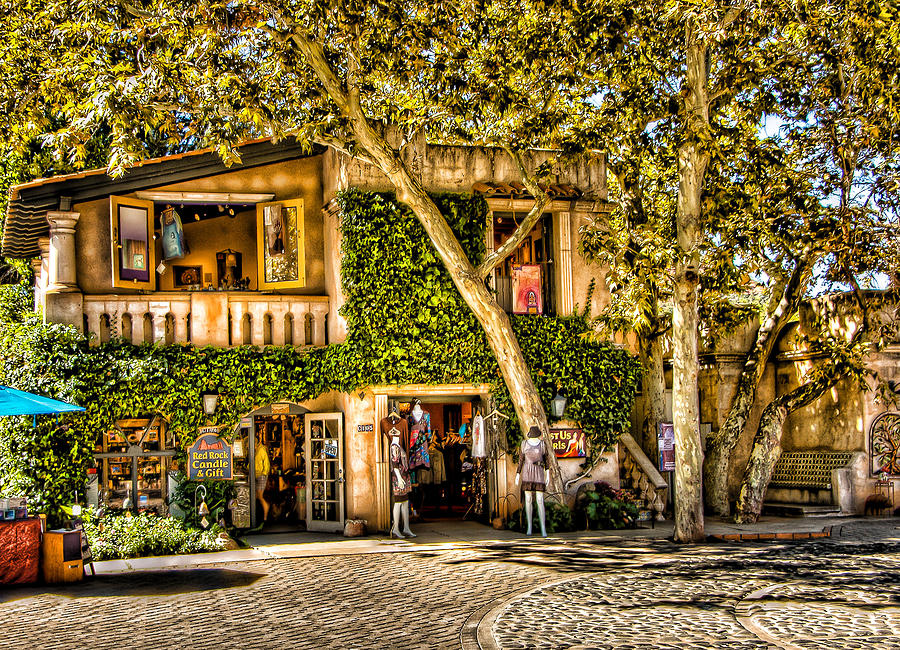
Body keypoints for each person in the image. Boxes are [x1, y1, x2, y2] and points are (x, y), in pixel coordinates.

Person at [515, 425, 550, 537]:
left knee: (540, 500)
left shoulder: (542, 445)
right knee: (528, 500)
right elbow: (521, 460)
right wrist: (517, 474)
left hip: (539, 472)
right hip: (527, 473)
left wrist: (547, 473)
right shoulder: (524, 444)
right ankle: (529, 526)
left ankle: (543, 528)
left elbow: (547, 460)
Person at [255, 430, 271, 522]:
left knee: (260, 496)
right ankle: (259, 516)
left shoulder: (261, 449)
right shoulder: (256, 449)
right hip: (256, 474)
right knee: (256, 496)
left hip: (261, 475)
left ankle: (265, 517)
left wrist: (264, 474)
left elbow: (266, 463)